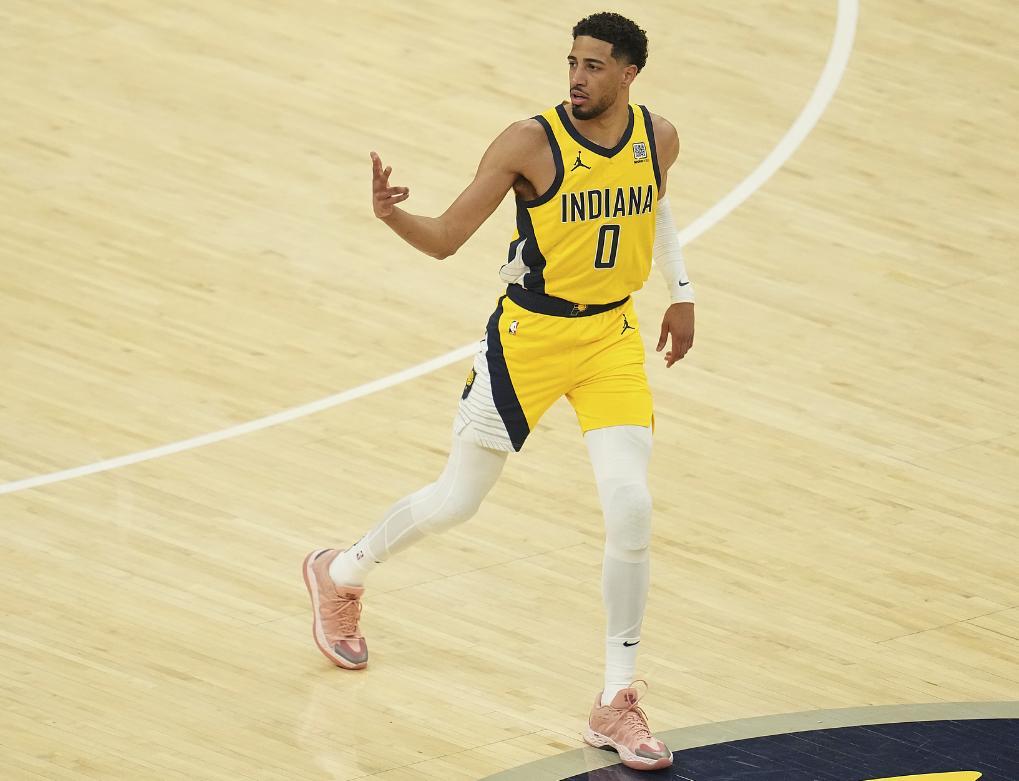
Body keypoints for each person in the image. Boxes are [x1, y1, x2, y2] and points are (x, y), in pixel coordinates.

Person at [303, 12, 694, 773]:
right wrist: (392, 216)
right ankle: (340, 572)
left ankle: (616, 698)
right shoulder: (528, 143)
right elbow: (447, 237)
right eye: (571, 61)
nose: (576, 76)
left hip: (610, 338)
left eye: (593, 65)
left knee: (631, 507)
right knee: (457, 501)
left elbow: (655, 204)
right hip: (527, 341)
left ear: (628, 75)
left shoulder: (659, 137)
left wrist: (681, 292)